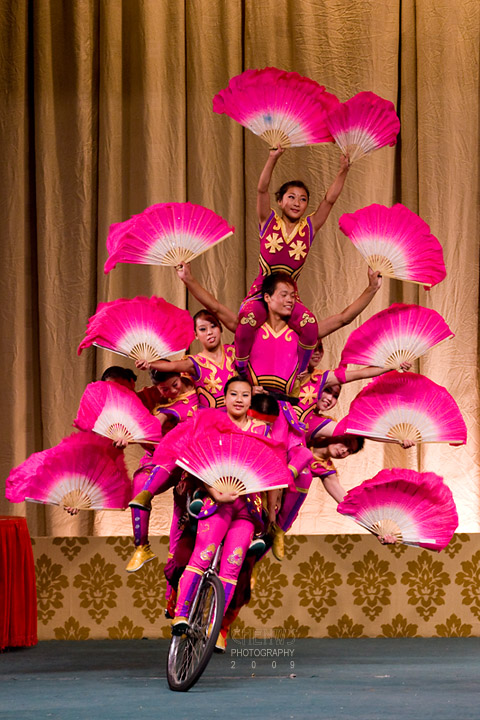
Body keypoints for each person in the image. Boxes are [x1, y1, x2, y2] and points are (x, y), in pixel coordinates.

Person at [235, 146, 350, 376]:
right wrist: (272, 157)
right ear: (279, 201)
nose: (297, 203)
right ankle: (240, 366)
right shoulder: (267, 221)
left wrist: (343, 170)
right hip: (261, 292)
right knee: (247, 321)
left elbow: (329, 201)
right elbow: (261, 189)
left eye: (303, 199)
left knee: (310, 327)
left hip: (289, 296)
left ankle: (299, 370)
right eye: (291, 197)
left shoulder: (309, 227)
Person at [135, 309, 236, 409]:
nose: (209, 332)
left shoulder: (234, 352)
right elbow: (172, 366)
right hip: (211, 421)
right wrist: (149, 364)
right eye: (202, 329)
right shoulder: (195, 363)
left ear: (221, 328)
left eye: (213, 326)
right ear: (196, 335)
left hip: (239, 417)